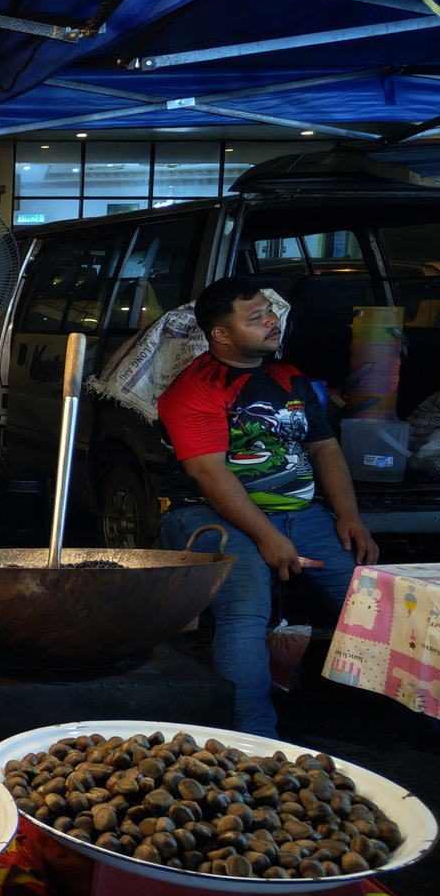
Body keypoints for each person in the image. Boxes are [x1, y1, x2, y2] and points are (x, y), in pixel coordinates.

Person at [157, 275, 379, 737]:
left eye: (270, 310)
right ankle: (254, 738)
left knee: (369, 599)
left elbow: (325, 448)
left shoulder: (289, 377)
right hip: (205, 512)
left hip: (300, 513)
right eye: (255, 316)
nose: (271, 320)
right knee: (245, 610)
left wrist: (349, 516)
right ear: (221, 333)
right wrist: (267, 536)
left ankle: (405, 715)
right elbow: (210, 474)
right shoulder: (194, 389)